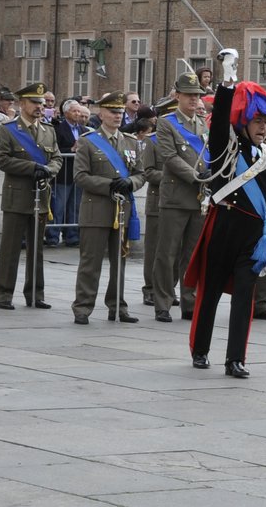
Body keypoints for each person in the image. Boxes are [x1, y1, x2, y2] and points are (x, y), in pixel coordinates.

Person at [185, 55, 266, 377]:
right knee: (210, 292)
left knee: (245, 297)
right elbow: (218, 127)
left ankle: (235, 359)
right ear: (244, 122)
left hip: (252, 237)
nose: (264, 128)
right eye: (258, 122)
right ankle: (200, 350)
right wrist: (227, 81)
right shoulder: (225, 150)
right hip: (223, 229)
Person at [71, 91, 145, 325]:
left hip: (122, 210)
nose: (117, 116)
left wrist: (130, 183)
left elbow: (140, 174)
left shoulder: (130, 142)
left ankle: (118, 306)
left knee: (120, 261)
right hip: (97, 209)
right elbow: (80, 176)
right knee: (90, 262)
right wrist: (109, 185)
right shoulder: (88, 141)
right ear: (101, 113)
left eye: (121, 112)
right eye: (113, 112)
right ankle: (83, 307)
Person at [0, 82, 63, 311]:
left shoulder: (48, 130)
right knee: (10, 248)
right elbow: (2, 160)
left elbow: (58, 159)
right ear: (22, 104)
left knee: (36, 249)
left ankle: (35, 293)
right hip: (17, 195)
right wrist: (32, 167)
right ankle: (3, 294)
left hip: (40, 196)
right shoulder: (9, 129)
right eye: (34, 102)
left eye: (41, 103)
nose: (39, 107)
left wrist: (49, 170)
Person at [151, 74, 210, 324]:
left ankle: (189, 302)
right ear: (177, 97)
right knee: (167, 253)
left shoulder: (203, 124)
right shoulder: (167, 123)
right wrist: (196, 175)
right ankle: (163, 303)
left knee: (192, 254)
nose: (194, 100)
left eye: (197, 95)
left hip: (198, 199)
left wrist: (210, 174)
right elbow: (170, 157)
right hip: (176, 196)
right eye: (189, 96)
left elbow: (210, 154)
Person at [136, 98, 170, 308]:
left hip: (181, 201)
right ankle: (150, 289)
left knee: (174, 249)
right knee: (154, 249)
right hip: (159, 200)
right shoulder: (153, 140)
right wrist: (175, 177)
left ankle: (167, 288)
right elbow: (148, 172)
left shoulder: (191, 139)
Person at [50, 100, 89, 246]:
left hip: (78, 174)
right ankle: (53, 236)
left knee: (75, 206)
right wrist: (71, 150)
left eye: (79, 111)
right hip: (63, 174)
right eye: (74, 111)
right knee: (59, 206)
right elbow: (55, 150)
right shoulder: (58, 128)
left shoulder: (84, 130)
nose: (78, 114)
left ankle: (72, 236)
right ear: (66, 113)